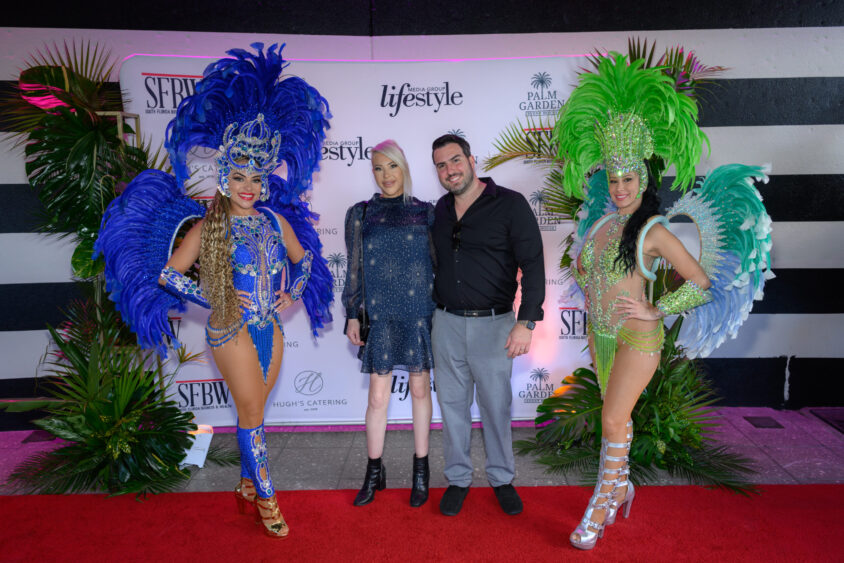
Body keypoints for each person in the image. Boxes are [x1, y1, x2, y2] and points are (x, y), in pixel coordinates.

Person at [95, 44, 333, 539]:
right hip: (230, 330)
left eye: (257, 177)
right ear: (226, 175)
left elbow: (305, 259)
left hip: (271, 328)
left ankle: (246, 484)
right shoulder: (208, 226)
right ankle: (267, 496)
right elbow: (169, 274)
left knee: (254, 412)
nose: (249, 186)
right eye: (240, 176)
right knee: (251, 414)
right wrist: (217, 297)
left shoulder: (272, 220)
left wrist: (294, 291)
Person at [554, 53, 773, 550]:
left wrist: (656, 309)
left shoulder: (653, 229)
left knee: (611, 419)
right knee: (618, 417)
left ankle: (601, 502)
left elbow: (700, 282)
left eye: (629, 178)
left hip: (637, 336)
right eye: (613, 178)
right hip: (602, 336)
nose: (620, 187)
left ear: (644, 179)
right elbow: (589, 277)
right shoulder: (603, 225)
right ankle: (624, 485)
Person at [429, 133, 545, 516]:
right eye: (442, 165)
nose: (450, 170)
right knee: (452, 408)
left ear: (471, 159)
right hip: (445, 324)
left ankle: (502, 477)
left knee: (496, 406)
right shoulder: (440, 211)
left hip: (495, 326)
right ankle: (458, 478)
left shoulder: (510, 205)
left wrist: (526, 322)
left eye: (455, 160)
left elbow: (533, 266)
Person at [343, 140, 435, 507]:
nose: (386, 175)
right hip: (379, 315)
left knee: (419, 392)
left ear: (404, 168)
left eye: (392, 167)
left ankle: (421, 472)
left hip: (418, 314)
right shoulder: (361, 213)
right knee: (377, 397)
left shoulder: (426, 213)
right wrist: (352, 312)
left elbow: (437, 265)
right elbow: (354, 268)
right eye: (379, 168)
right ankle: (374, 472)